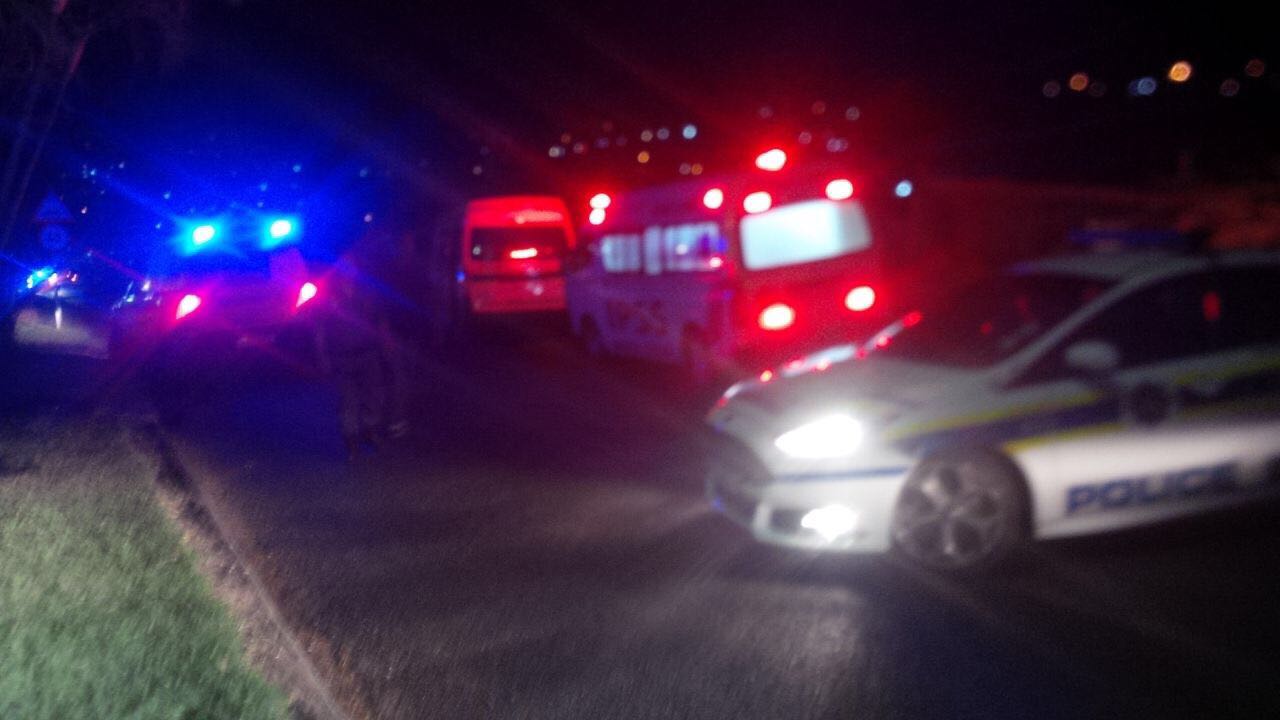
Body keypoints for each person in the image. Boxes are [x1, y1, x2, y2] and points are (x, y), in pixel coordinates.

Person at [314, 257, 405, 458]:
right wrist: (322, 356)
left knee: (373, 396)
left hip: (367, 353)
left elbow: (380, 319)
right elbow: (320, 328)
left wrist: (387, 342)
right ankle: (352, 441)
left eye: (351, 268)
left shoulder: (366, 292)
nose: (348, 271)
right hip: (341, 356)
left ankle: (369, 432)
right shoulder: (328, 295)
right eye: (344, 268)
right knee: (348, 401)